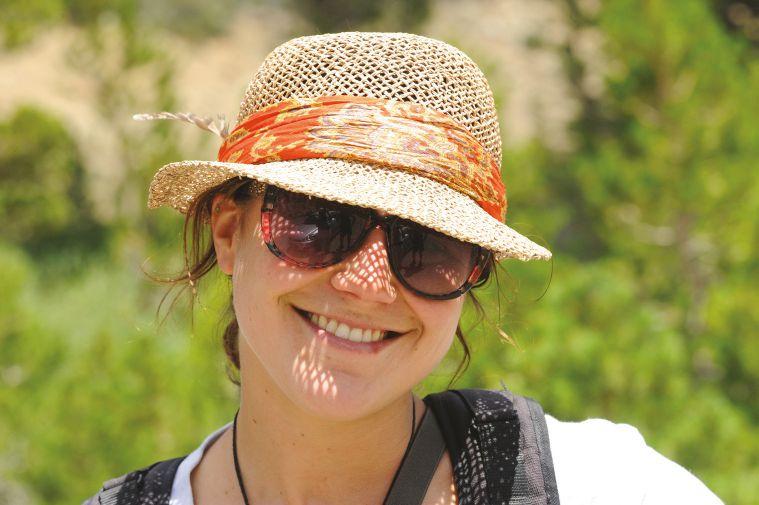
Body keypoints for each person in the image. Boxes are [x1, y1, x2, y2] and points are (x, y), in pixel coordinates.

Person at [85, 32, 723, 505]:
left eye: (425, 246)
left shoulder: (604, 486)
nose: (367, 283)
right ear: (230, 233)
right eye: (319, 222)